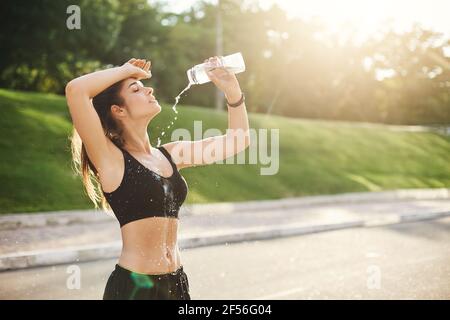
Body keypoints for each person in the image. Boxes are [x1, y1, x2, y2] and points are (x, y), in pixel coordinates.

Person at [65, 56, 250, 300]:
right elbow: (76, 90)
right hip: (136, 287)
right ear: (118, 110)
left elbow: (237, 141)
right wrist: (124, 70)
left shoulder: (170, 154)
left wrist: (232, 92)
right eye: (136, 89)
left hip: (176, 284)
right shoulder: (110, 159)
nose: (149, 89)